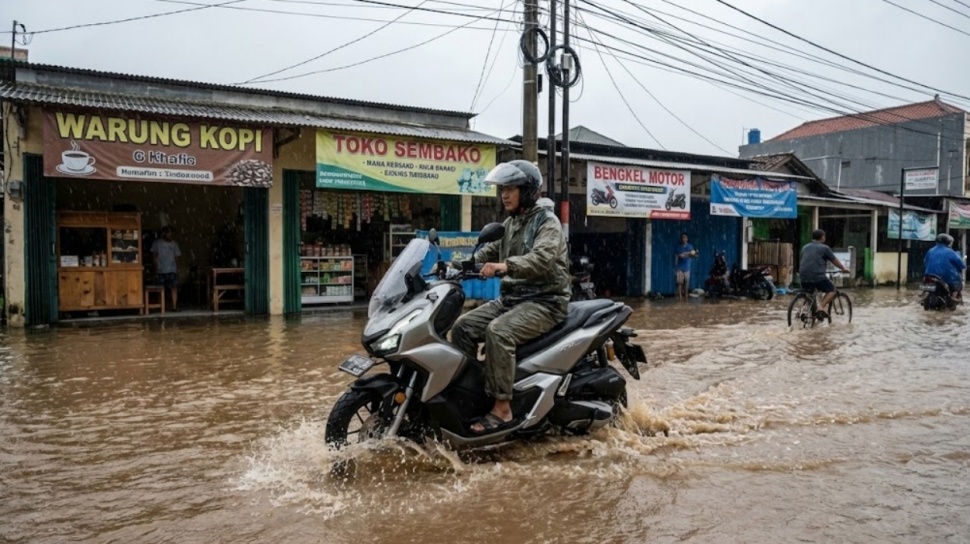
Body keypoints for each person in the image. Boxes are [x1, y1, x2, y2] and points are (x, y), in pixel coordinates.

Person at [451, 160, 571, 435]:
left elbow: (541, 259)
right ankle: (470, 394)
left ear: (527, 191)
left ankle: (503, 409)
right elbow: (490, 250)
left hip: (545, 302)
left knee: (498, 332)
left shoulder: (547, 222)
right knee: (463, 328)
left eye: (510, 189)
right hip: (514, 300)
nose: (504, 194)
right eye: (502, 189)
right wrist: (457, 265)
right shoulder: (512, 222)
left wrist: (505, 266)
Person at [798, 229, 850, 319]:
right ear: (822, 237)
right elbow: (835, 261)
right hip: (817, 276)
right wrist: (843, 268)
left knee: (810, 293)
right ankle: (821, 307)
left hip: (802, 276)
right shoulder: (824, 248)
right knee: (832, 290)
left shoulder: (805, 247)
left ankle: (804, 311)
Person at [924, 233, 966, 302]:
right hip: (945, 277)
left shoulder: (930, 250)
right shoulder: (950, 251)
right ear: (948, 242)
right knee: (958, 283)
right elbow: (960, 264)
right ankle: (953, 298)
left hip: (929, 275)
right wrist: (962, 266)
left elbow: (925, 262)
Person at [151, 225, 182, 312]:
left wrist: (178, 268)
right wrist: (156, 267)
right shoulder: (157, 243)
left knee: (174, 287)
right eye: (169, 233)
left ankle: (174, 306)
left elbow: (177, 257)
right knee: (160, 288)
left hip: (172, 269)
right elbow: (154, 256)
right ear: (164, 233)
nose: (170, 235)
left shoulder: (174, 244)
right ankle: (161, 306)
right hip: (161, 269)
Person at [674, 233, 696, 301]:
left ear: (687, 239)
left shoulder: (690, 246)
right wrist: (688, 253)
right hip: (679, 267)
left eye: (685, 237)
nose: (684, 239)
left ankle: (686, 295)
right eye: (683, 237)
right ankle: (680, 296)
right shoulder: (678, 247)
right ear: (681, 239)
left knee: (686, 282)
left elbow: (693, 254)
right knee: (679, 282)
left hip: (687, 267)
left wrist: (686, 254)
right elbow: (680, 255)